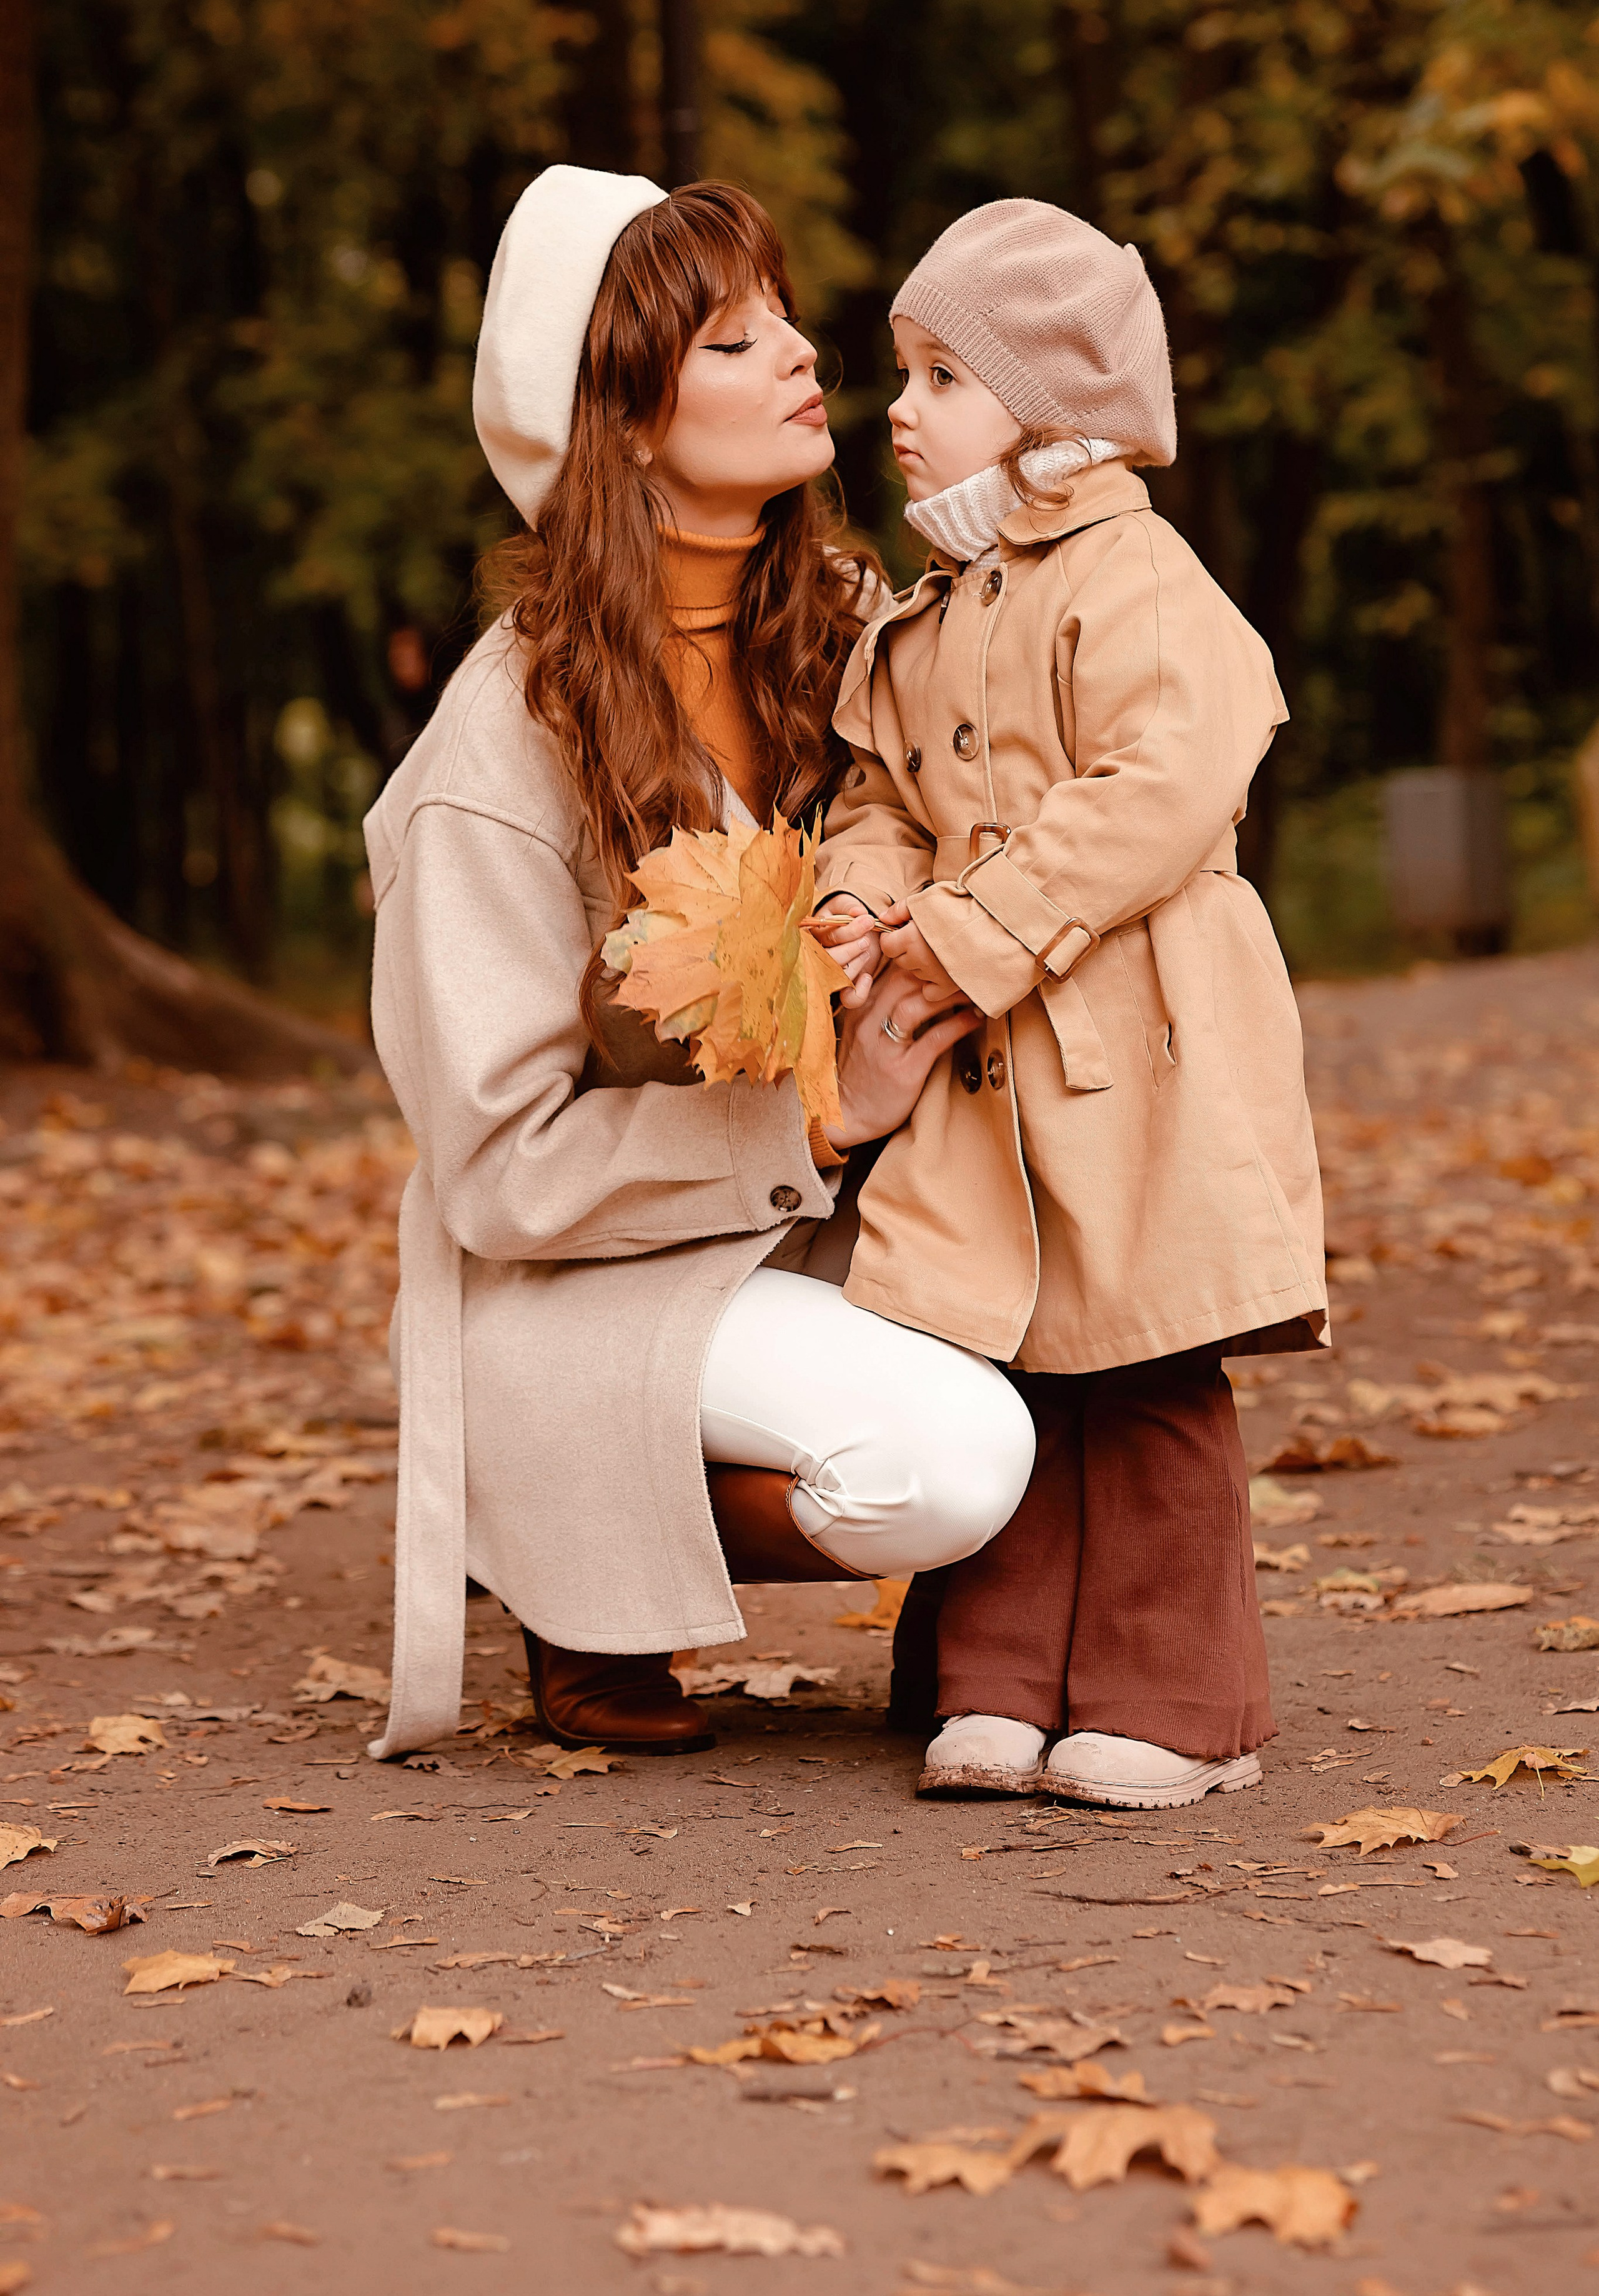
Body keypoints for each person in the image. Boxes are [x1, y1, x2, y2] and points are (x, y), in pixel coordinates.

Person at [360, 166, 1036, 1763]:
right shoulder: (500, 748)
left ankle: (1027, 1643)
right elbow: (499, 1171)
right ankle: (564, 1541)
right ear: (619, 423)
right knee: (948, 1464)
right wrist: (808, 1123)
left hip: (856, 1222)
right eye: (733, 343)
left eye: (783, 318)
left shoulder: (858, 624)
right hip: (598, 1274)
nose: (802, 353)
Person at [809, 199, 1327, 1807]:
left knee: (1144, 1359)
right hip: (982, 1062)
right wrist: (859, 898)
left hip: (1138, 1035)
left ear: (1047, 404)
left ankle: (1177, 1697)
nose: (898, 410)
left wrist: (971, 928)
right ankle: (996, 1675)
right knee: (1001, 1355)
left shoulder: (1133, 573)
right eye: (902, 372)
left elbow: (1163, 781)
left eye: (942, 375)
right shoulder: (925, 611)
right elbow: (877, 796)